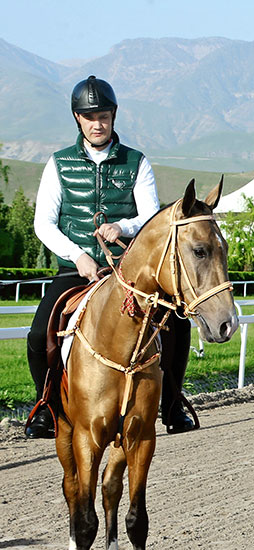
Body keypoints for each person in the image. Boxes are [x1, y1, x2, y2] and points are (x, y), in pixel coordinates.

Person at [24, 75, 197, 438]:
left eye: (103, 115)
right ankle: (47, 407)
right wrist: (78, 257)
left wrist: (122, 227)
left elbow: (150, 218)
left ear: (113, 116)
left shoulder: (137, 162)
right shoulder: (58, 164)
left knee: (178, 323)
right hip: (77, 270)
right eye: (89, 117)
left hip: (127, 272)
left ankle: (172, 403)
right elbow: (44, 224)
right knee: (39, 335)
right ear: (77, 119)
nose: (97, 123)